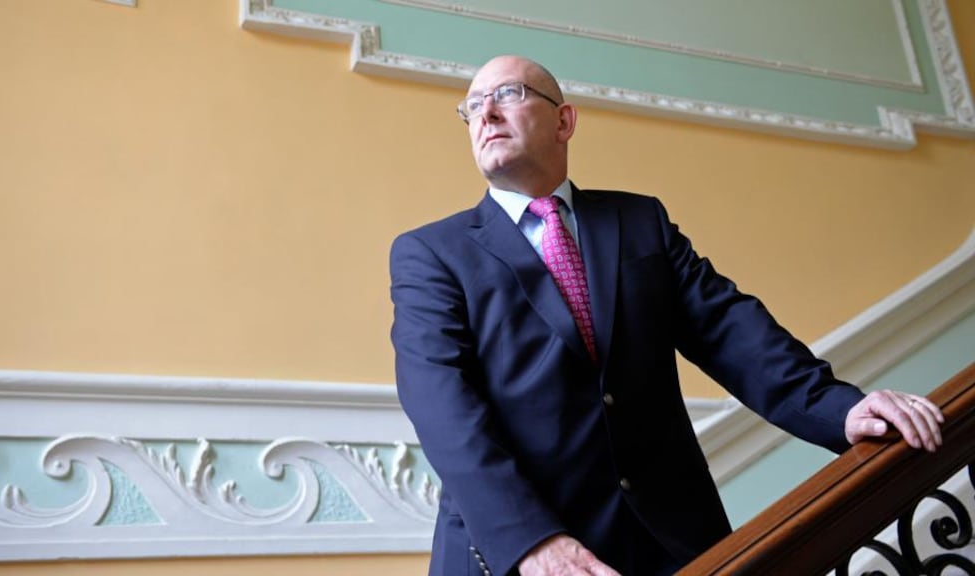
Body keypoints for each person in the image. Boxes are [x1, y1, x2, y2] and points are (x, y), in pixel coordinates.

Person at [389, 55, 944, 576]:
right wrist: (532, 541)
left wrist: (841, 409)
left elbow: (729, 329)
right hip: (518, 552)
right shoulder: (430, 253)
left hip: (672, 543)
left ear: (564, 121)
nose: (484, 113)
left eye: (507, 94)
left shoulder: (638, 220)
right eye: (472, 105)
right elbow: (443, 407)